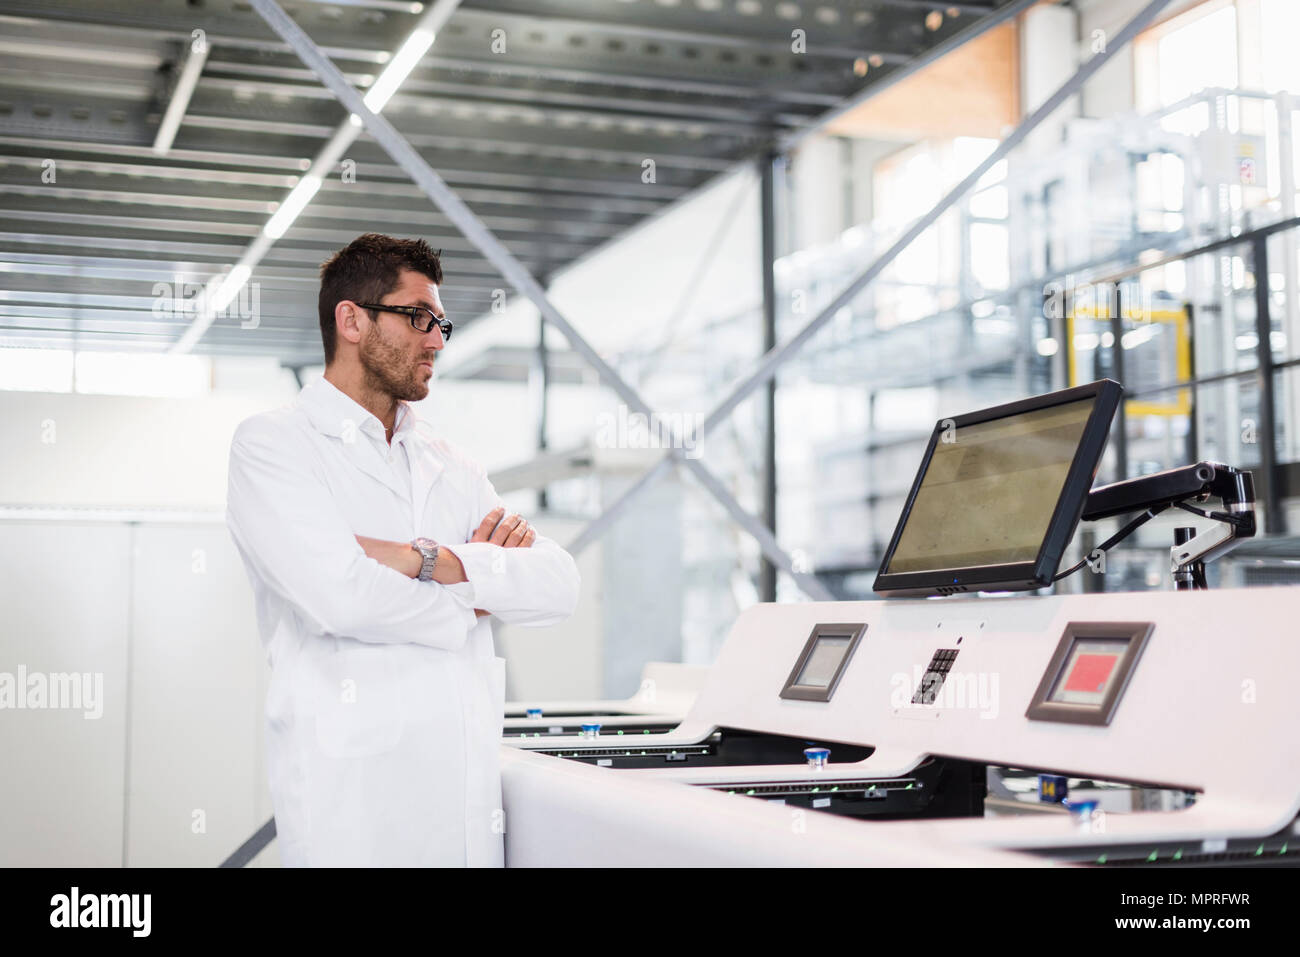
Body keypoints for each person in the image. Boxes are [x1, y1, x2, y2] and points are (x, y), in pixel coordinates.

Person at [225, 233, 580, 866]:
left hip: (465, 805)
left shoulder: (450, 461)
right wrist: (478, 600)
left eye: (441, 322)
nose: (438, 340)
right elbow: (342, 599)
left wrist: (430, 561)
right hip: (354, 809)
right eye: (418, 317)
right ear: (352, 319)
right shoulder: (274, 445)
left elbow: (558, 584)